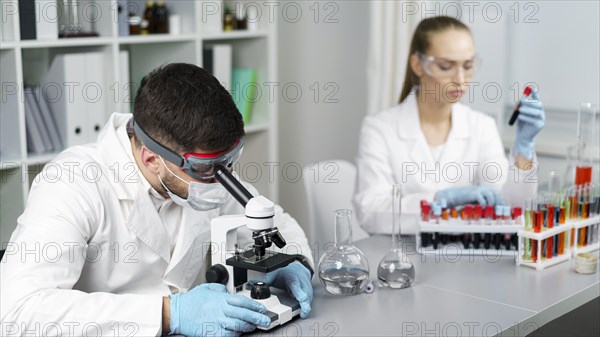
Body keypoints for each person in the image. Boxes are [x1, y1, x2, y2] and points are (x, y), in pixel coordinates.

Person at [0, 64, 314, 336]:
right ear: (153, 160)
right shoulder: (73, 183)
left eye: (230, 161)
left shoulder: (203, 175)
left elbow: (276, 224)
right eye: (208, 168)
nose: (224, 178)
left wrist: (295, 264)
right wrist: (168, 313)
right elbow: (17, 313)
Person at [353, 16, 545, 234]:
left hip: (469, 261)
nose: (461, 80)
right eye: (446, 66)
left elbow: (510, 205)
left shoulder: (481, 126)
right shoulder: (379, 129)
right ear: (418, 65)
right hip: (403, 261)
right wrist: (436, 202)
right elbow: (370, 211)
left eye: (468, 65)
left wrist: (524, 149)